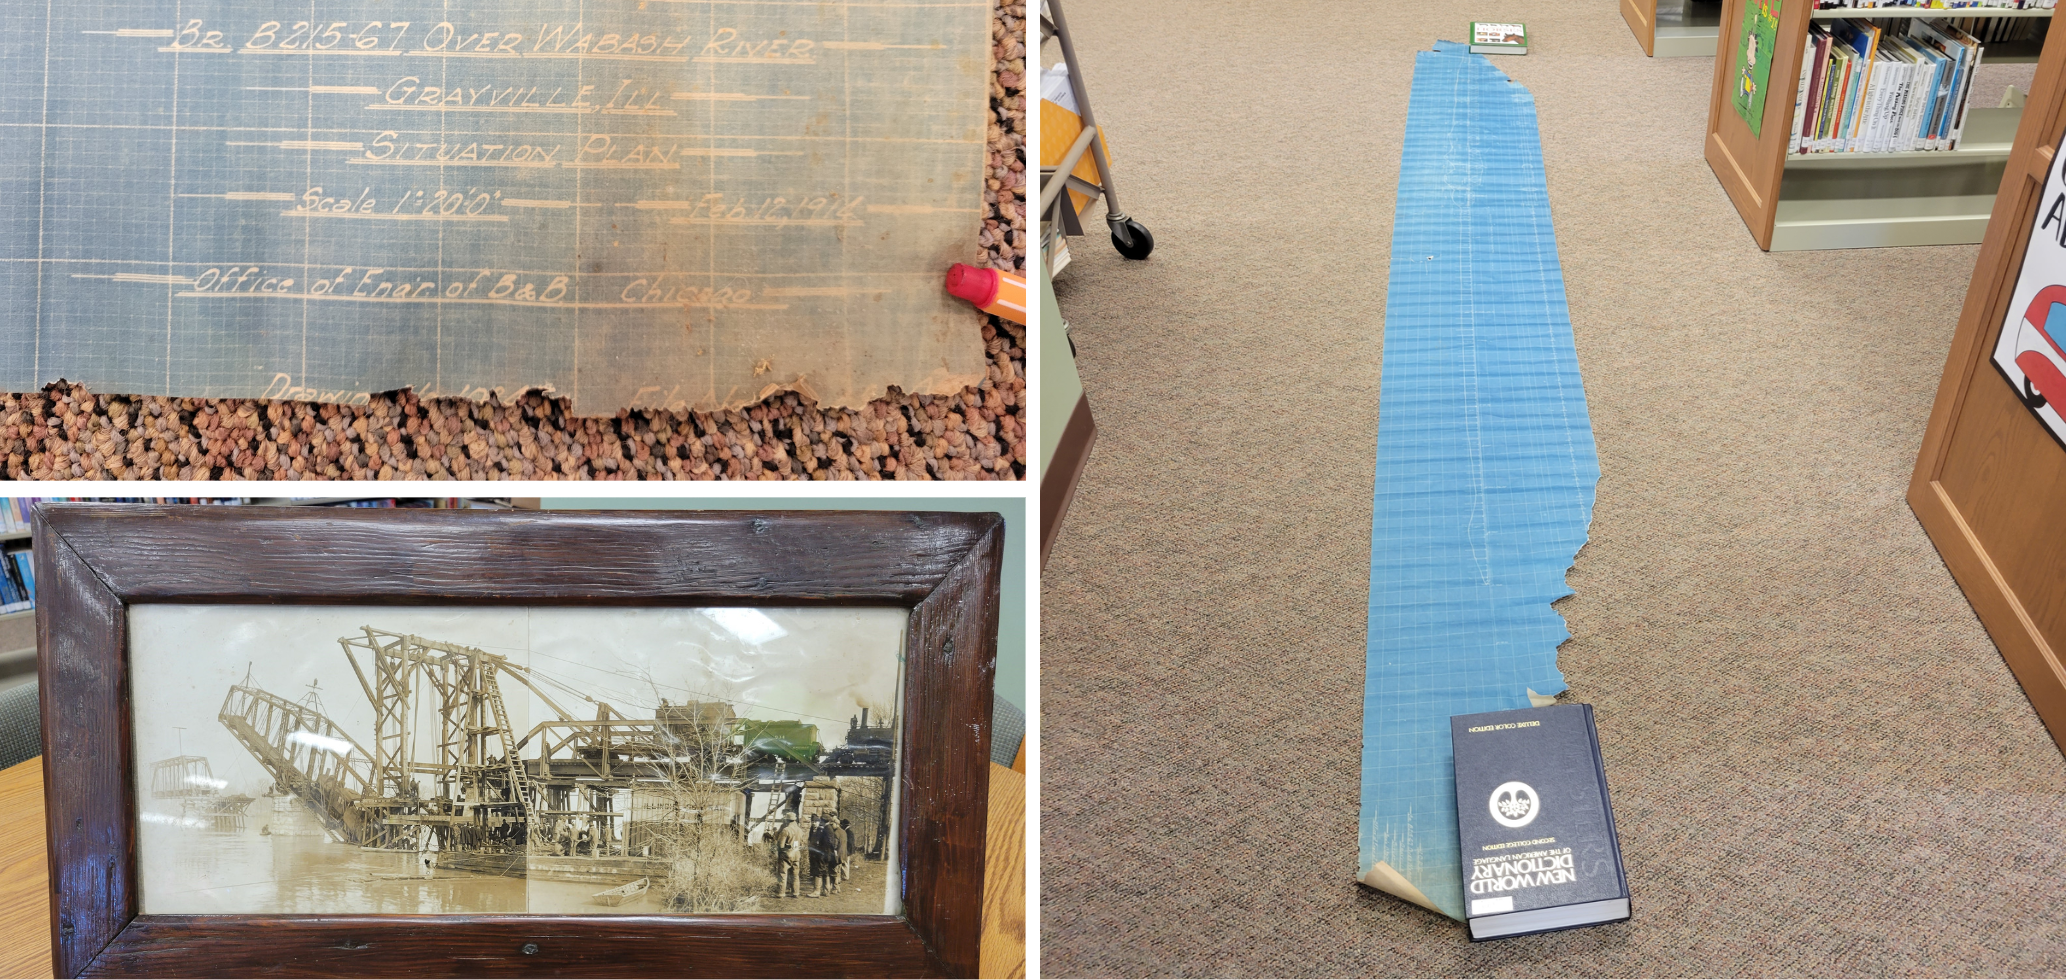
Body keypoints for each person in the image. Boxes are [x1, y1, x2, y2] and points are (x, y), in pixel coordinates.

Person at [774, 818, 806, 898]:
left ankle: (781, 893)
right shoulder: (800, 830)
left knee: (782, 874)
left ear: (787, 820)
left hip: (786, 855)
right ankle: (795, 892)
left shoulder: (786, 830)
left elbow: (781, 845)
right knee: (795, 875)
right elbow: (802, 844)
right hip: (796, 854)